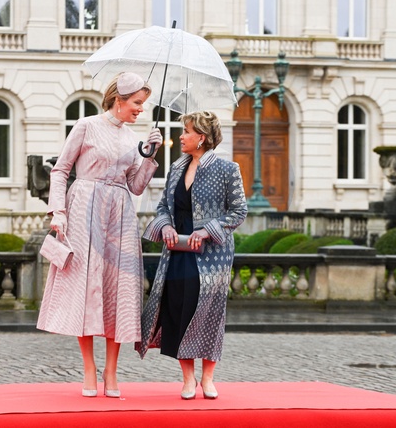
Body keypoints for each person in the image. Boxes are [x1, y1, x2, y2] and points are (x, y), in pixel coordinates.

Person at [37, 72, 163, 398]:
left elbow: (135, 186)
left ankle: (112, 370)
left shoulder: (133, 138)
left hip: (119, 213)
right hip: (84, 208)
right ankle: (89, 367)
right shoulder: (86, 126)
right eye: (137, 103)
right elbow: (60, 170)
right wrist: (58, 211)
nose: (141, 109)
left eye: (143, 104)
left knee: (116, 289)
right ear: (119, 100)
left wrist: (149, 158)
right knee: (86, 285)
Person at [136, 110, 248, 400]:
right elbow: (164, 206)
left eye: (186, 131)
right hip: (177, 251)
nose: (181, 136)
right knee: (178, 310)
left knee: (209, 313)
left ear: (202, 137)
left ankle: (208, 378)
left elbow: (239, 211)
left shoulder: (227, 169)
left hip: (212, 255)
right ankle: (188, 378)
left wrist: (208, 230)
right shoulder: (176, 168)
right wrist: (165, 226)